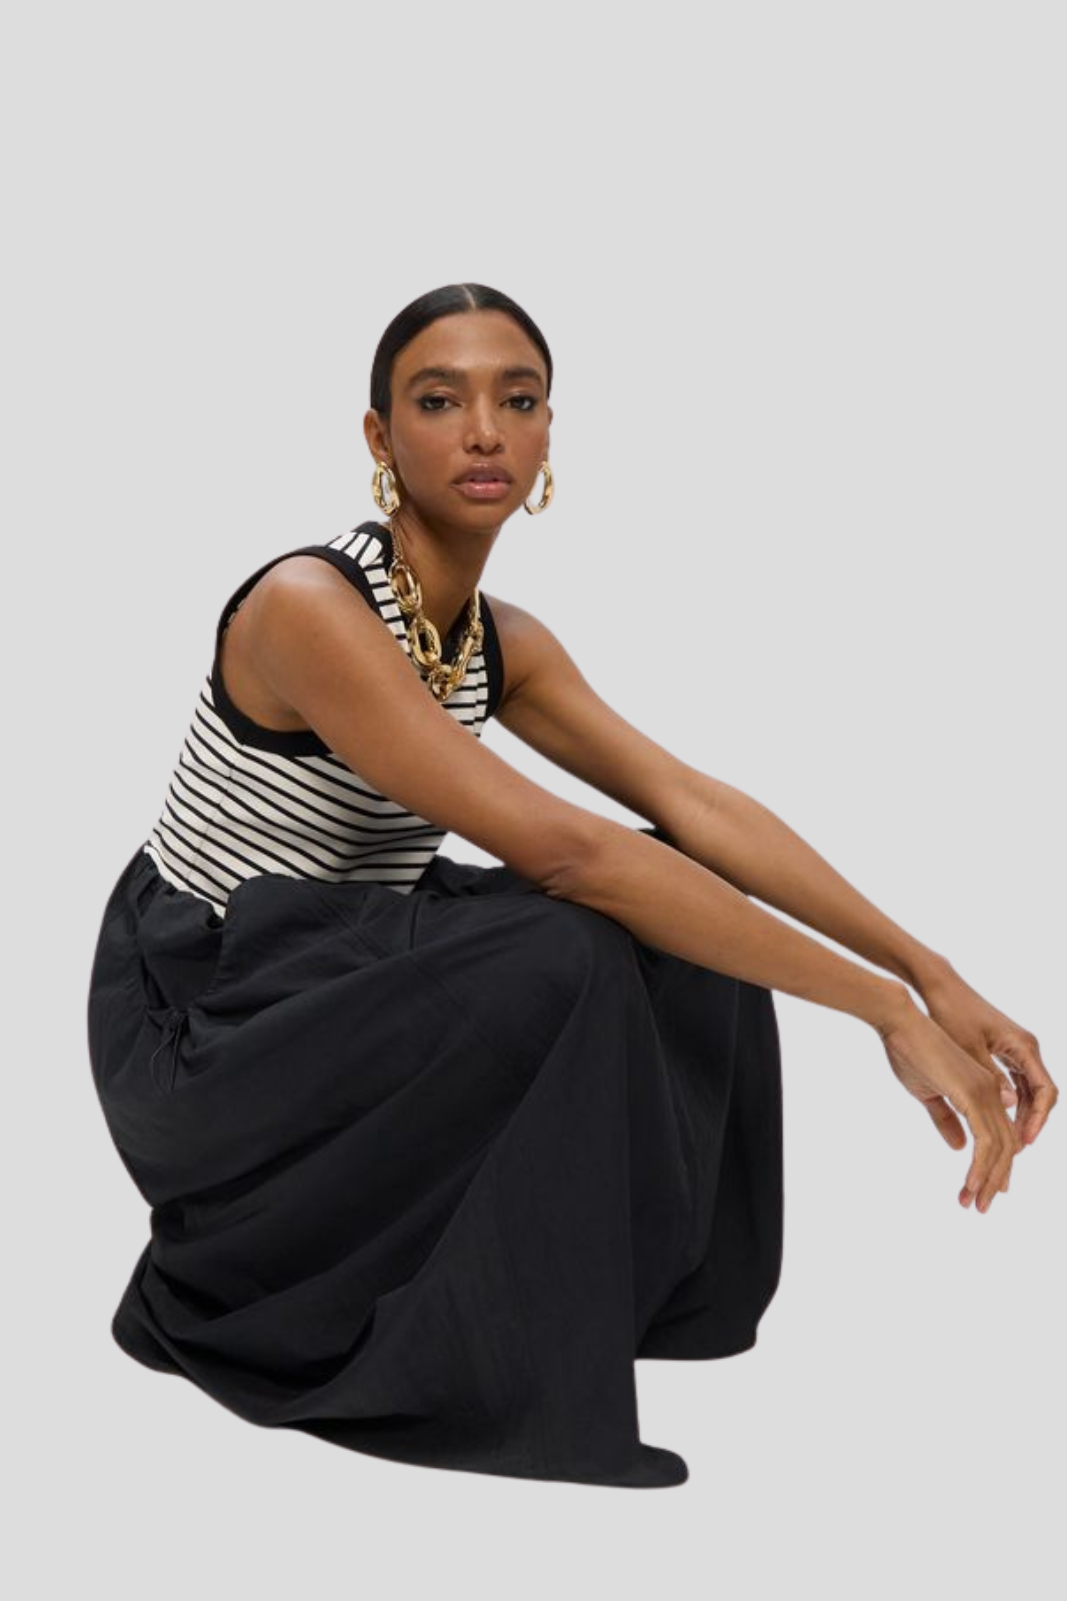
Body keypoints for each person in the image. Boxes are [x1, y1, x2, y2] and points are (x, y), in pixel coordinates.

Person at [86, 281, 1057, 1490]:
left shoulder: (499, 639)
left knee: (680, 890)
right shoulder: (309, 607)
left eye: (517, 399)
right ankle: (402, 1328)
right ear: (379, 436)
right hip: (205, 1014)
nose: (482, 431)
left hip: (335, 964)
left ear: (549, 431)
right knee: (579, 934)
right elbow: (570, 854)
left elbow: (697, 807)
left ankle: (620, 1287)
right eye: (437, 401)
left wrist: (930, 972)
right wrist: (878, 1010)